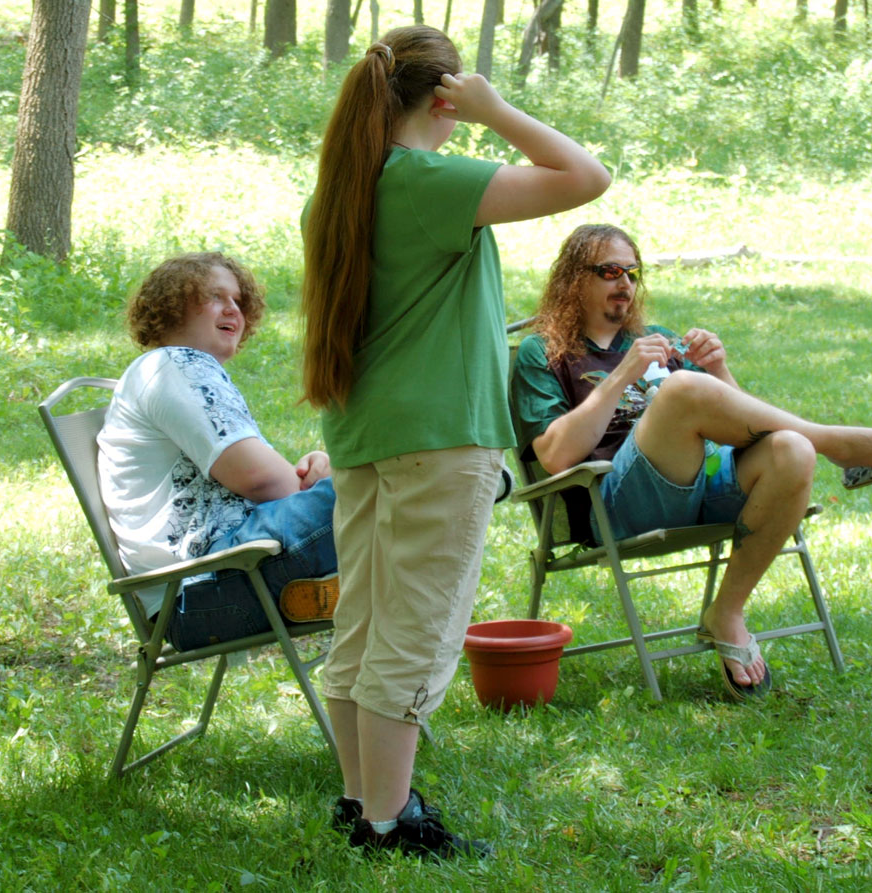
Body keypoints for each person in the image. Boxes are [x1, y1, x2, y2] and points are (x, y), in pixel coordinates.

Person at [301, 26, 610, 858]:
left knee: (363, 628)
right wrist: (498, 110)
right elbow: (586, 177)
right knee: (417, 631)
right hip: (439, 439)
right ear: (444, 98)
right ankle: (389, 825)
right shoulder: (427, 181)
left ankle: (362, 800)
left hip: (368, 436)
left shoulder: (342, 190)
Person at [510, 223, 872, 701]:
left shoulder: (658, 338)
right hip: (617, 501)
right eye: (610, 271)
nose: (626, 284)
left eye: (633, 272)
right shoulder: (544, 352)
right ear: (574, 278)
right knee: (680, 389)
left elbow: (756, 428)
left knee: (793, 448)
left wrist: (718, 370)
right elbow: (553, 456)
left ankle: (727, 612)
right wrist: (622, 375)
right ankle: (840, 446)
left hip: (706, 483)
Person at [97, 252, 339, 653]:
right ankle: (373, 589)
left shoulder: (170, 370)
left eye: (240, 302)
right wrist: (332, 485)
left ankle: (364, 587)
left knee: (377, 482)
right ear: (172, 304)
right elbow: (259, 479)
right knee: (391, 476)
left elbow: (258, 475)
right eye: (215, 296)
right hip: (204, 587)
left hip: (215, 579)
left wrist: (321, 477)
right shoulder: (175, 366)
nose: (234, 310)